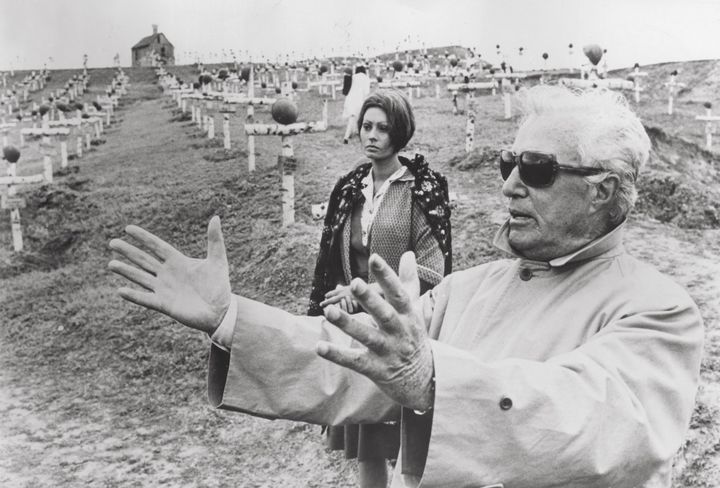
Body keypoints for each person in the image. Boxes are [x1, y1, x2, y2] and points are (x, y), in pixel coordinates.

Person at [108, 85, 703, 488]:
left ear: (601, 189)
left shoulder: (659, 311)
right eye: (507, 164)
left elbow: (595, 422)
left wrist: (433, 380)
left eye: (538, 170)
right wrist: (230, 318)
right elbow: (353, 357)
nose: (510, 187)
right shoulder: (467, 290)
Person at [308, 89, 452, 487]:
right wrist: (341, 292)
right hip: (357, 332)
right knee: (368, 444)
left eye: (382, 128)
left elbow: (432, 270)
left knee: (406, 444)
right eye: (366, 126)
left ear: (400, 133)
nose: (371, 135)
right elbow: (333, 258)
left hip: (402, 329)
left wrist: (365, 292)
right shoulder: (350, 186)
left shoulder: (422, 188)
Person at [342, 66, 371, 143]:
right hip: (359, 100)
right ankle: (349, 136)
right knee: (357, 118)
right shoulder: (366, 78)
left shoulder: (354, 77)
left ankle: (349, 135)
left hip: (350, 99)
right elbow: (366, 92)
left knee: (352, 118)